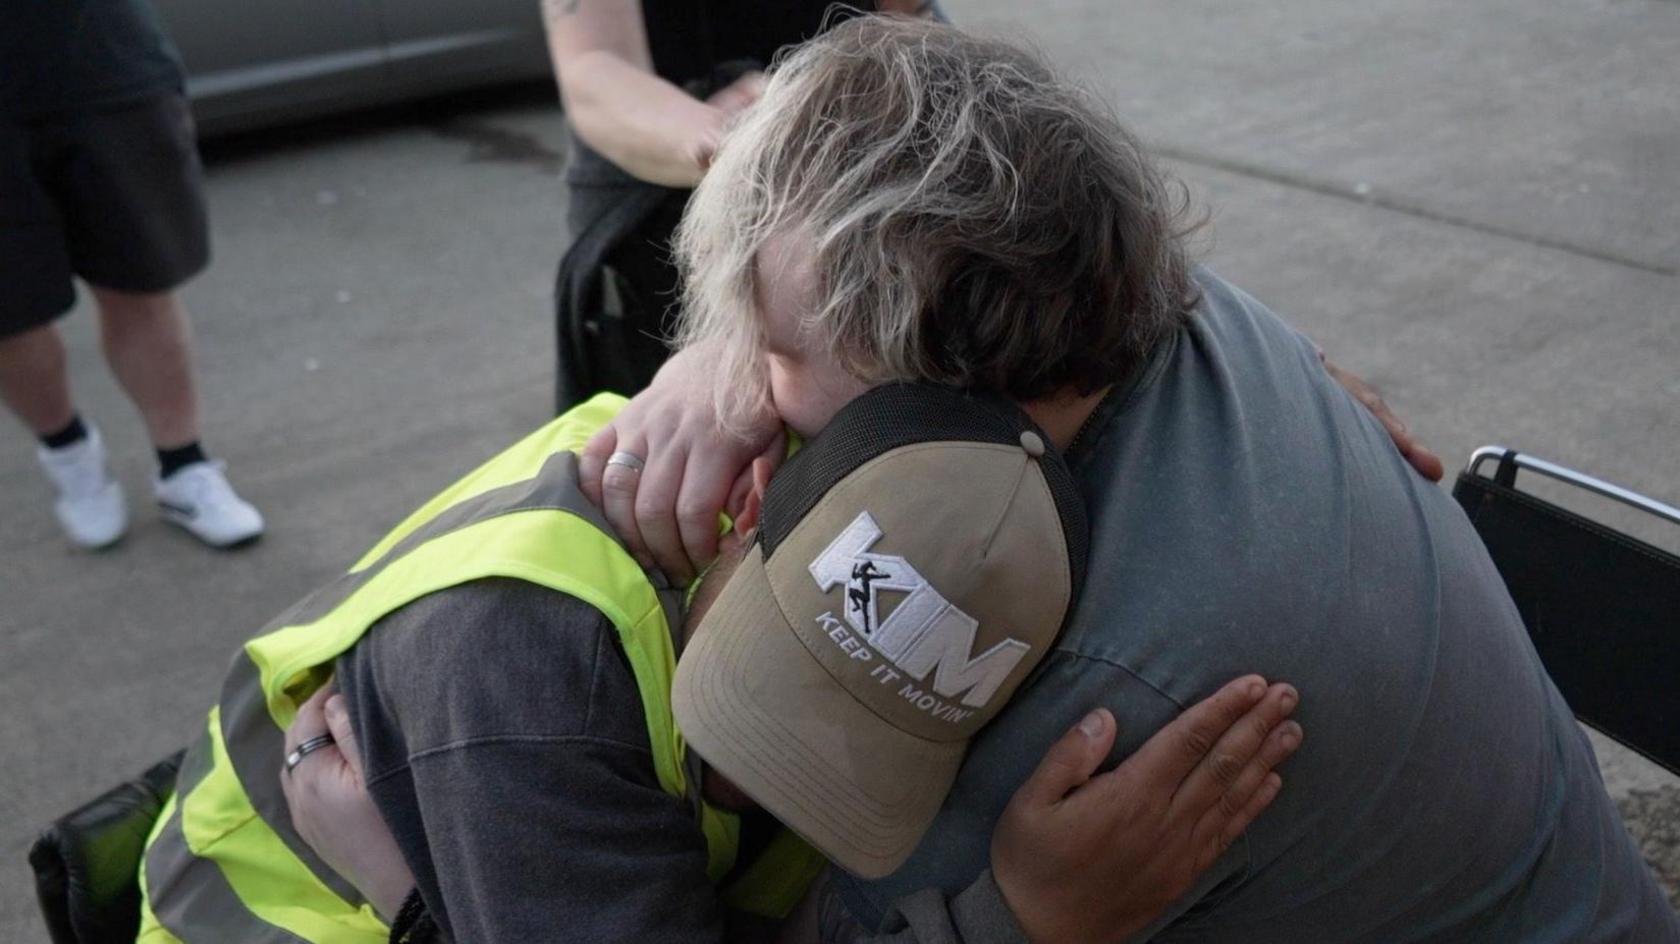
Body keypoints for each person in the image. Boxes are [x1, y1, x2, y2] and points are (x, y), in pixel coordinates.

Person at [574, 17, 1680, 941]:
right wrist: (712, 368)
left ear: (930, 393)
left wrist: (1011, 914)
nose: (753, 393)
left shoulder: (1071, 681)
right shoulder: (1106, 288)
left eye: (771, 350)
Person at [138, 388, 1302, 944]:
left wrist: (1293, 389)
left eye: (858, 746)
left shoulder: (859, 477)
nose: (765, 781)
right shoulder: (521, 688)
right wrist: (415, 910)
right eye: (775, 685)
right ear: (744, 510)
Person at [545, 0, 938, 405]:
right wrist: (733, 140)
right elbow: (593, 64)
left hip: (869, 186)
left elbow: (906, 15)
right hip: (657, 223)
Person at [1, 0, 264, 550]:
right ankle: (70, 452)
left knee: (141, 283)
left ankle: (183, 466)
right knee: (11, 317)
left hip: (101, 62)